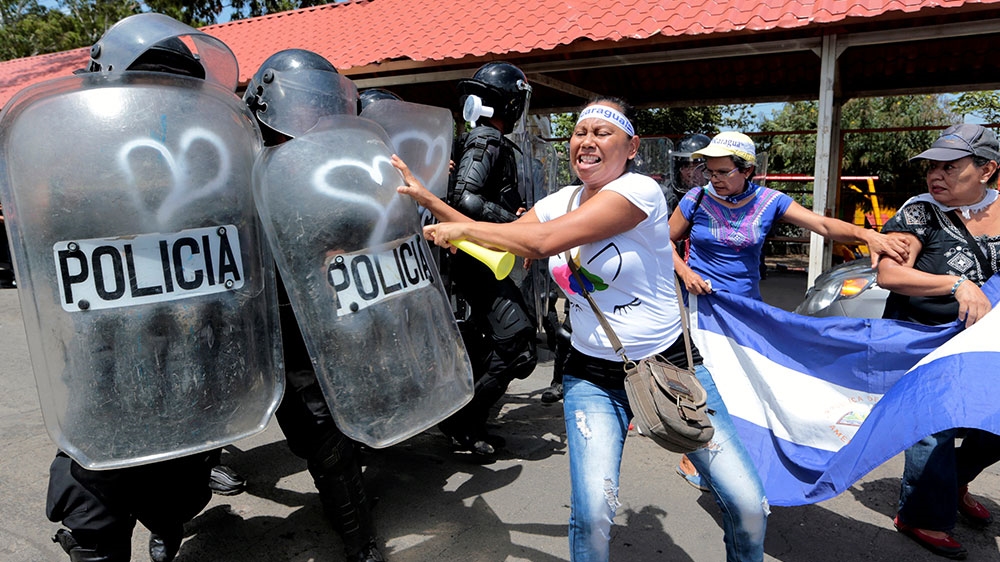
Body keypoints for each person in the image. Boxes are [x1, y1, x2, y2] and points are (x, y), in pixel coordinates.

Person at [397, 95, 706, 562]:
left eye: (602, 133)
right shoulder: (561, 200)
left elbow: (537, 242)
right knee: (592, 512)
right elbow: (498, 245)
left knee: (743, 502)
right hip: (591, 372)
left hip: (666, 361)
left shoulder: (640, 190)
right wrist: (427, 199)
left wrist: (466, 232)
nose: (586, 141)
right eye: (580, 132)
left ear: (632, 146)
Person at [38, 14, 279, 562]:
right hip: (103, 377)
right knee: (92, 521)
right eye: (148, 85)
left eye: (174, 89)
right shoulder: (71, 163)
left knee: (175, 494)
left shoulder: (213, 166)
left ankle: (168, 525)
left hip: (187, 368)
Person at [667, 131, 909, 560]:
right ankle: (701, 452)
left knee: (747, 386)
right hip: (700, 309)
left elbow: (820, 224)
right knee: (705, 385)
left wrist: (867, 236)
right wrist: (684, 272)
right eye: (710, 170)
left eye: (724, 172)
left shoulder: (770, 201)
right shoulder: (696, 200)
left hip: (746, 312)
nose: (713, 178)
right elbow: (664, 242)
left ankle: (742, 457)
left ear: (747, 171)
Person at [244, 49, 384, 562]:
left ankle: (358, 538)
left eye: (317, 109)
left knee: (327, 431)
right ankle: (170, 515)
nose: (309, 120)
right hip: (255, 322)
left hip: (323, 321)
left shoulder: (332, 165)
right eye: (301, 108)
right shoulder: (236, 162)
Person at [876, 123, 1000, 560]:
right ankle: (921, 514)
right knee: (934, 427)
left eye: (951, 166)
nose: (936, 175)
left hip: (984, 344)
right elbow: (888, 274)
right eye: (932, 166)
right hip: (923, 338)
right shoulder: (918, 212)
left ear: (987, 170)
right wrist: (957, 284)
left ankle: (954, 481)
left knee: (994, 426)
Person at [438, 61, 538, 457]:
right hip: (479, 260)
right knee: (515, 345)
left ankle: (462, 421)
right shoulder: (486, 139)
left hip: (485, 258)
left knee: (507, 347)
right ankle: (461, 425)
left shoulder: (485, 139)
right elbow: (465, 198)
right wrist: (516, 225)